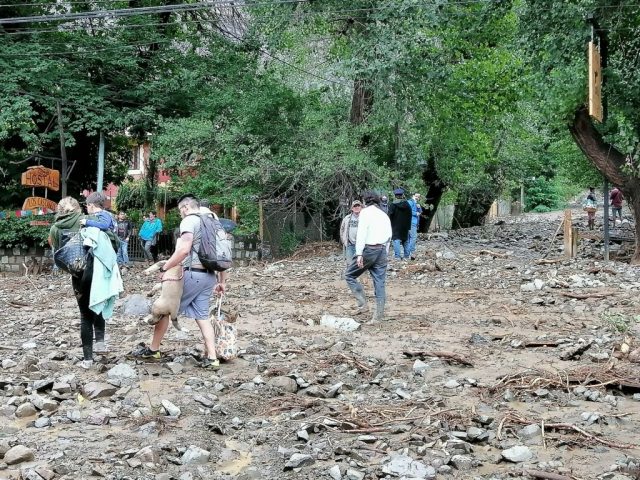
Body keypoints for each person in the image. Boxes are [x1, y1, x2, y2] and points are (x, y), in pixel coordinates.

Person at [134, 194, 228, 369]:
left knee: (164, 308)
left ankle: (154, 350)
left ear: (185, 207)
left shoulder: (189, 221)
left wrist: (165, 267)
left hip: (191, 274)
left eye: (180, 211)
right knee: (203, 316)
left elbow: (184, 250)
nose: (180, 214)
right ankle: (212, 358)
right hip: (209, 276)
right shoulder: (214, 223)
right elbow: (223, 253)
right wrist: (222, 281)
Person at [49, 197, 121, 368]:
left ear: (60, 211)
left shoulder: (55, 228)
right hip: (97, 271)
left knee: (85, 315)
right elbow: (114, 242)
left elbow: (57, 251)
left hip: (78, 275)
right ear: (77, 208)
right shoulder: (91, 220)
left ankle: (88, 360)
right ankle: (101, 342)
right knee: (100, 303)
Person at [345, 191, 392, 322]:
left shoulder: (365, 213)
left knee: (349, 275)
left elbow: (361, 233)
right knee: (380, 283)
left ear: (365, 202)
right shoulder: (384, 215)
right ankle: (378, 316)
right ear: (377, 201)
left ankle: (362, 304)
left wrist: (359, 253)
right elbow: (389, 235)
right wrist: (385, 252)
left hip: (369, 249)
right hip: (382, 249)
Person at [387, 188, 412, 260]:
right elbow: (410, 215)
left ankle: (397, 256)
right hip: (405, 226)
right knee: (405, 240)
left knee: (396, 240)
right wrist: (408, 226)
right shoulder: (407, 204)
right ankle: (406, 256)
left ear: (395, 195)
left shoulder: (393, 205)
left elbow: (389, 215)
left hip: (395, 225)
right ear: (402, 195)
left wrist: (390, 225)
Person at [407, 193, 423, 260]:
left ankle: (408, 253)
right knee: (413, 237)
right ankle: (411, 252)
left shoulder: (417, 203)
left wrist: (419, 208)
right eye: (416, 196)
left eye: (418, 197)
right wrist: (415, 213)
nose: (417, 197)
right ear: (413, 196)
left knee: (410, 238)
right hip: (411, 222)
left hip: (414, 222)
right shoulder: (410, 202)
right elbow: (408, 211)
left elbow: (420, 212)